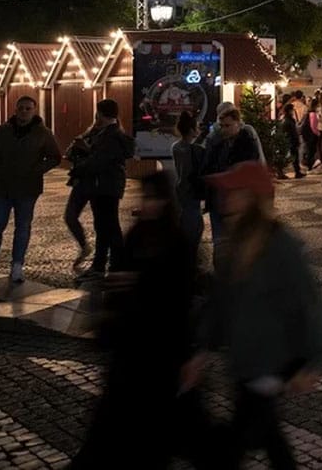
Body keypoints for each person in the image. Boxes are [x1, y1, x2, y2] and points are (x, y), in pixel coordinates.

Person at [182, 161, 322, 469]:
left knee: (236, 447)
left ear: (252, 197)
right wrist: (202, 350)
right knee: (269, 440)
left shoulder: (281, 246)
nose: (224, 199)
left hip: (269, 364)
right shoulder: (234, 243)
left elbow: (308, 303)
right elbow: (221, 302)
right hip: (245, 364)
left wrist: (312, 361)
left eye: (233, 192)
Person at [71, 172, 208, 469]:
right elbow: (121, 278)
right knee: (108, 428)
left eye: (151, 198)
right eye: (143, 197)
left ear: (164, 202)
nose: (145, 204)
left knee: (160, 436)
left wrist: (138, 281)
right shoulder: (136, 235)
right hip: (131, 349)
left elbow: (180, 299)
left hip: (162, 352)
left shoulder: (177, 243)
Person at [0, 96, 62, 284]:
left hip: (28, 189)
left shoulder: (43, 134)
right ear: (15, 109)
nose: (24, 112)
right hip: (2, 187)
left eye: (28, 108)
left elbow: (55, 157)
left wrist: (36, 171)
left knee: (22, 227)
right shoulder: (1, 131)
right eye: (21, 108)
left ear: (34, 110)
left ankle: (17, 266)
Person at [71, 99, 136, 282]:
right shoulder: (113, 133)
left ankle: (110, 265)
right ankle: (106, 264)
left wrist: (83, 157)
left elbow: (99, 162)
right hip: (107, 186)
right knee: (106, 226)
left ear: (100, 113)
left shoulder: (110, 135)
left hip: (104, 186)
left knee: (107, 226)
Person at [202, 107, 262, 248]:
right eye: (222, 126)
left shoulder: (247, 144)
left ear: (238, 123)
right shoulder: (218, 144)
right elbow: (208, 167)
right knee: (220, 243)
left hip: (237, 201)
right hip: (218, 200)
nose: (224, 129)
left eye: (228, 126)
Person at [64, 116, 105, 271]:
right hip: (81, 181)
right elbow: (68, 154)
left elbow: (101, 159)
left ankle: (101, 260)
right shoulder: (88, 133)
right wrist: (76, 145)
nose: (97, 121)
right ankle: (84, 246)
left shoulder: (108, 137)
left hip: (97, 183)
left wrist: (85, 147)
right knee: (70, 216)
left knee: (101, 222)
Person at [171, 110, 207, 260]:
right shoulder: (197, 150)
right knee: (194, 224)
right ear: (192, 130)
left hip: (180, 188)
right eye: (196, 127)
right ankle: (190, 257)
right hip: (192, 190)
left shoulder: (175, 147)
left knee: (184, 220)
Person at [281, 103, 304, 179]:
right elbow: (292, 132)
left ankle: (297, 172)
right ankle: (297, 172)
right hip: (291, 141)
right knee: (294, 157)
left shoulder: (287, 120)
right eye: (292, 110)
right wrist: (296, 140)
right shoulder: (288, 121)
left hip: (290, 141)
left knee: (294, 157)